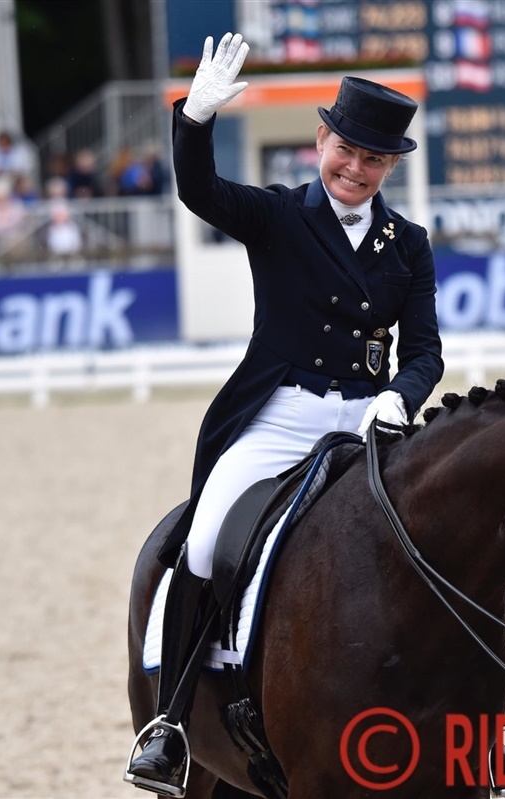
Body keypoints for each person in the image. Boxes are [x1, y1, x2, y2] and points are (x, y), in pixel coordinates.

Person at [124, 32, 446, 795]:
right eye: (347, 150)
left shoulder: (408, 244)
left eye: (374, 160)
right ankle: (172, 721)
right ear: (321, 141)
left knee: (450, 537)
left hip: (368, 421)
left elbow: (425, 350)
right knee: (206, 538)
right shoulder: (277, 215)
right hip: (281, 417)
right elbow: (200, 192)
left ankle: (476, 721)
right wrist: (195, 120)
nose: (356, 169)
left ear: (391, 166)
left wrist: (399, 396)